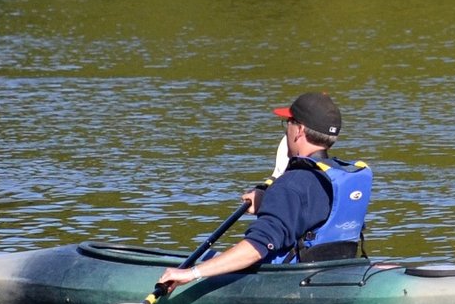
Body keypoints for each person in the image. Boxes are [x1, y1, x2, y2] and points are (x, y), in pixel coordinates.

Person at [157, 92, 373, 290]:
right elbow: (312, 215)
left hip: (292, 283)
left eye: (288, 122)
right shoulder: (341, 176)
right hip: (337, 274)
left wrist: (192, 273)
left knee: (210, 259)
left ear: (298, 130)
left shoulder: (291, 184)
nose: (286, 128)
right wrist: (269, 200)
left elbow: (256, 248)